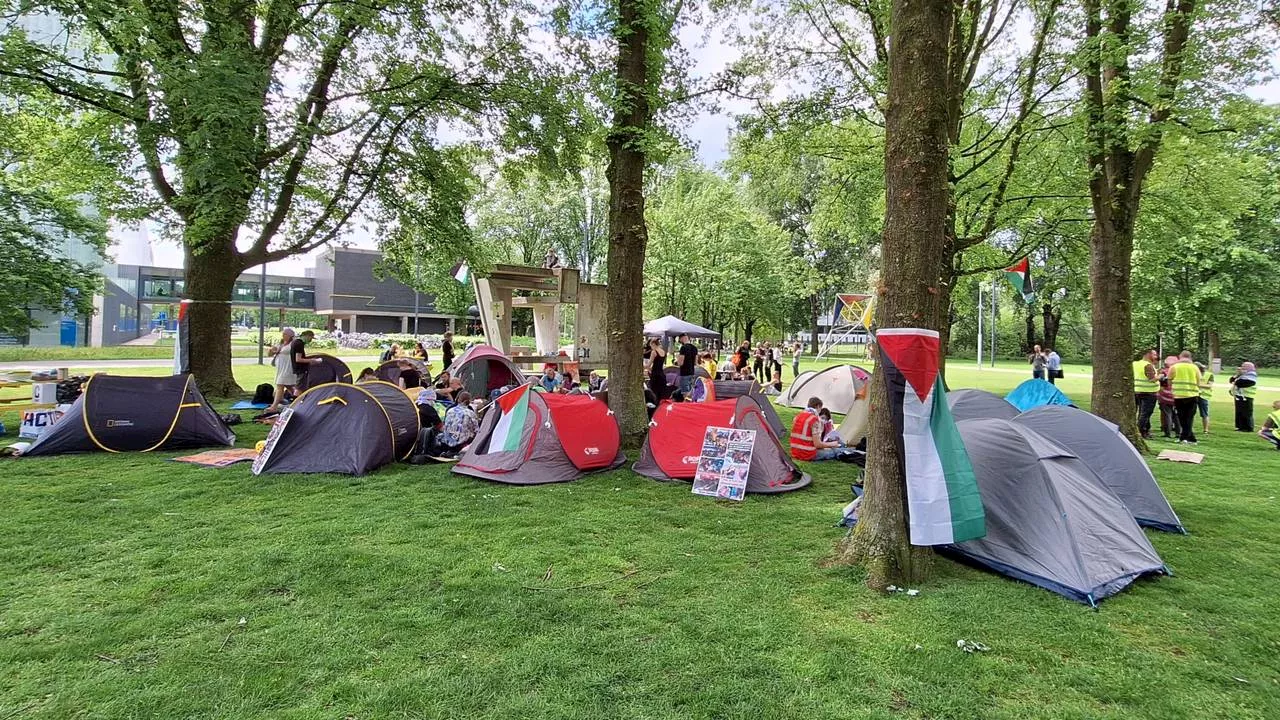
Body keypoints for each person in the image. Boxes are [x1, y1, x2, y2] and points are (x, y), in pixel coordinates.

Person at [790, 397, 858, 461]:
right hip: (807, 454)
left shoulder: (798, 416)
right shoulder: (814, 419)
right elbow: (818, 444)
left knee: (834, 446)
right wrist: (832, 444)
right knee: (834, 451)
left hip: (795, 452)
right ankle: (855, 450)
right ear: (818, 406)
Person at [1167, 351, 1202, 444]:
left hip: (1178, 395)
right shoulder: (1195, 368)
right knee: (1189, 417)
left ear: (1180, 357)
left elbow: (1169, 381)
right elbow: (1199, 382)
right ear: (1190, 358)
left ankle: (1185, 437)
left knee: (1182, 417)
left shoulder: (1174, 367)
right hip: (1192, 395)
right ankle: (1189, 437)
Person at [265, 327, 300, 413]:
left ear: (290, 335)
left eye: (285, 334)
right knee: (289, 386)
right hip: (281, 368)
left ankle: (274, 407)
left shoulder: (293, 344)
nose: (283, 336)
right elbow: (270, 354)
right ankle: (300, 400)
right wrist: (271, 351)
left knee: (280, 384)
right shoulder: (281, 344)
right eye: (283, 334)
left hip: (289, 367)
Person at [1133, 349, 1159, 440]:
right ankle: (1140, 431)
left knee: (1141, 412)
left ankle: (1146, 431)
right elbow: (1152, 379)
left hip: (1136, 391)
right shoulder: (1148, 365)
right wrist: (1161, 376)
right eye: (1154, 354)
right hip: (1148, 393)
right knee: (1145, 413)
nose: (1156, 356)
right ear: (1148, 355)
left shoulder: (1135, 364)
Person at [1229, 362, 1259, 432]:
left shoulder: (1252, 376)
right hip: (1239, 396)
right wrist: (1237, 375)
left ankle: (1248, 427)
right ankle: (1240, 426)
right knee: (1239, 412)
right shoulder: (1241, 375)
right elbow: (1231, 381)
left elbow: (1240, 383)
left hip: (1247, 396)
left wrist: (1236, 380)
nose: (1242, 368)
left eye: (1244, 367)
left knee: (1247, 413)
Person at [1196, 362, 1214, 435]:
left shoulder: (1209, 375)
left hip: (1204, 396)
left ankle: (1205, 430)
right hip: (1194, 395)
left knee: (1204, 414)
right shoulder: (1194, 374)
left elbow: (1209, 385)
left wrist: (1198, 385)